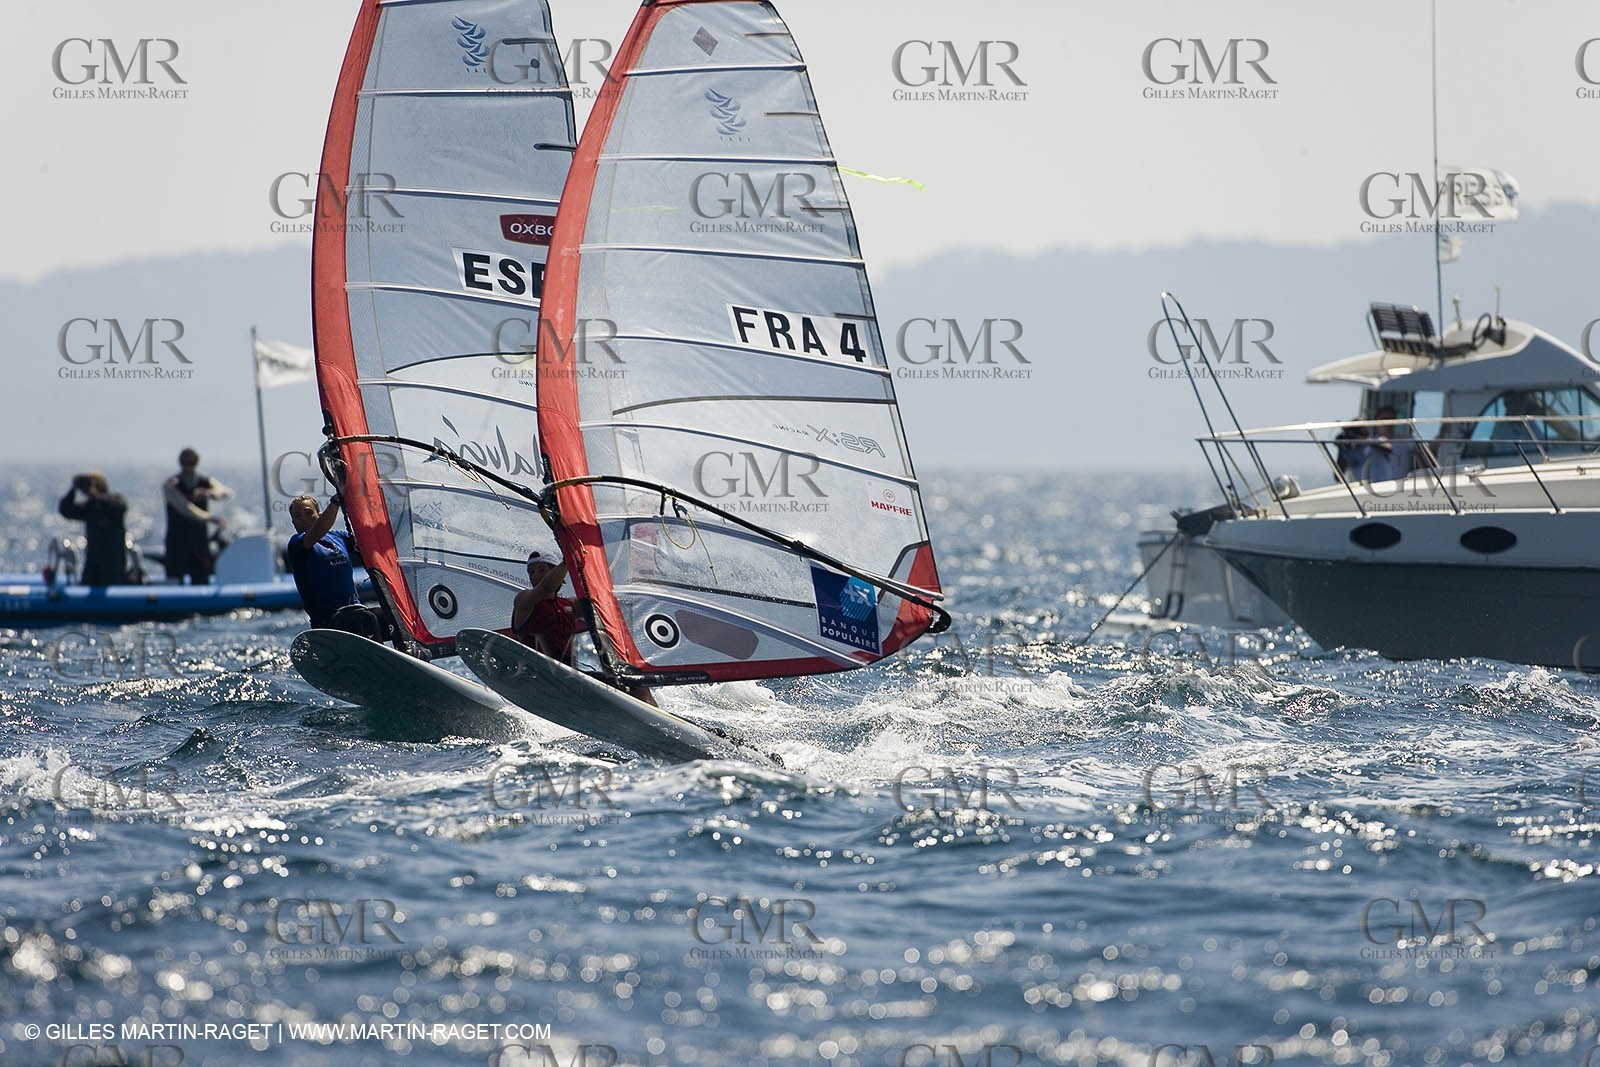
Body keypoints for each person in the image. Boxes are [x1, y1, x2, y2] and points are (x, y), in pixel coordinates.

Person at [512, 550, 657, 706]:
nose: (535, 575)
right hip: (536, 674)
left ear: (557, 574)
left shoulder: (570, 605)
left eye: (541, 570)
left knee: (635, 683)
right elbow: (546, 588)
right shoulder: (524, 601)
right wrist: (568, 560)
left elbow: (603, 602)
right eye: (531, 572)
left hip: (568, 678)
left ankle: (659, 717)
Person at [286, 493, 364, 629]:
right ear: (293, 523)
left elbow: (365, 540)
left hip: (355, 611)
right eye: (298, 516)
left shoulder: (339, 537)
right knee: (366, 619)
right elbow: (316, 533)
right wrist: (335, 502)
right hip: (327, 621)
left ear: (320, 515)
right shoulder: (296, 544)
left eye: (308, 513)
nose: (303, 518)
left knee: (386, 617)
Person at [163, 448, 231, 583]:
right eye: (185, 462)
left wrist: (209, 493)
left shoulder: (204, 481)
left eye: (191, 462)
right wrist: (211, 518)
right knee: (174, 579)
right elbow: (186, 508)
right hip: (177, 543)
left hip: (199, 543)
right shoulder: (171, 484)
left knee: (201, 578)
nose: (188, 466)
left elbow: (225, 492)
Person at [57, 472, 132, 586]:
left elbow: (115, 506)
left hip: (113, 563)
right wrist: (74, 489)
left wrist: (94, 493)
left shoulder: (116, 501)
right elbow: (66, 510)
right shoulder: (90, 507)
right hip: (93, 563)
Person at [1362, 406, 1414, 483]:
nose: (1388, 423)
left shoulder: (1406, 442)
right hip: (1376, 487)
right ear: (1376, 421)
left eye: (1391, 419)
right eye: (1384, 419)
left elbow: (1424, 454)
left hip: (1403, 486)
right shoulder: (1368, 444)